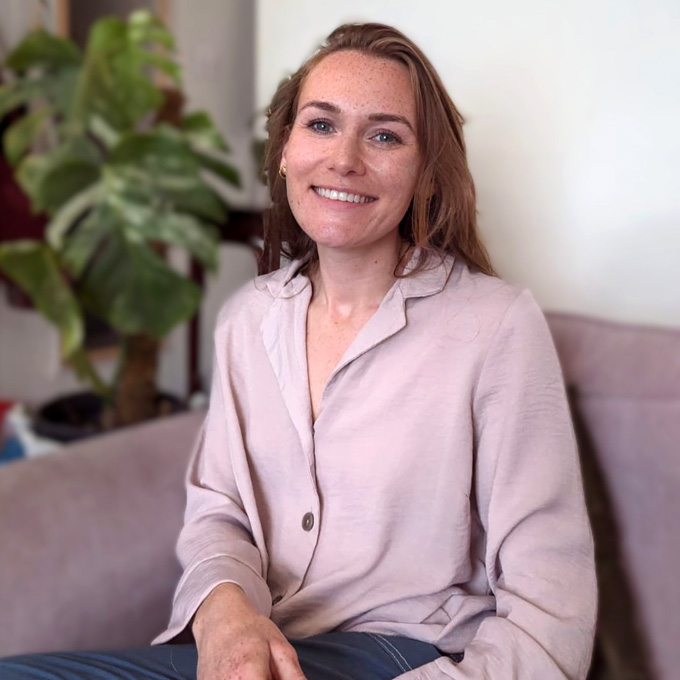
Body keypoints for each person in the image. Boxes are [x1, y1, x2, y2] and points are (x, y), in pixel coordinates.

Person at [0, 22, 596, 680]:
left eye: (385, 135)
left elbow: (551, 613)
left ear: (426, 173)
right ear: (283, 149)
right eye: (320, 125)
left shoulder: (496, 327)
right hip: (270, 645)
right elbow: (219, 510)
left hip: (412, 657)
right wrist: (224, 613)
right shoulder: (247, 321)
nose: (344, 158)